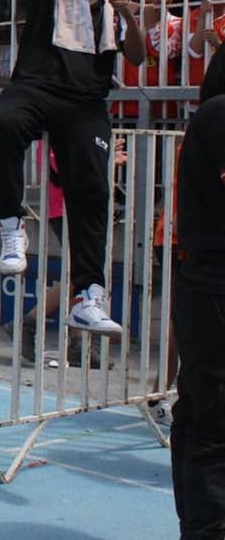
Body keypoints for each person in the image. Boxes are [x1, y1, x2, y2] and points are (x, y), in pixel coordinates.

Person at [0, 0, 146, 337]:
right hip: (36, 86)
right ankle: (11, 224)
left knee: (93, 192)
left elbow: (139, 56)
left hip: (85, 103)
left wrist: (129, 13)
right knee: (4, 122)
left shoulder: (115, 7)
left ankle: (88, 295)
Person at [171, 51, 225, 539]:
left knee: (199, 414)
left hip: (203, 281)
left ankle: (197, 524)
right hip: (212, 284)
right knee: (212, 423)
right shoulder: (219, 115)